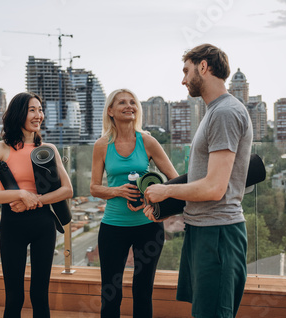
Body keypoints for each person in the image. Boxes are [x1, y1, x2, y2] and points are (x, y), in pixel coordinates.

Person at [144, 43, 253, 318]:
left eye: (186, 70)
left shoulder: (225, 113)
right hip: (204, 230)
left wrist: (166, 193)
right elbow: (203, 180)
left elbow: (215, 188)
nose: (183, 79)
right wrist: (163, 205)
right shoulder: (214, 112)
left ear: (203, 67)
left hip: (218, 235)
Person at [0, 92, 73, 318]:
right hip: (12, 224)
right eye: (32, 110)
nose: (38, 115)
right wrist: (21, 193)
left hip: (43, 224)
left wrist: (35, 200)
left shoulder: (48, 149)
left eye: (40, 110)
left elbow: (67, 190)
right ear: (18, 113)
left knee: (40, 295)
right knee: (14, 297)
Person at [90, 89, 178, 317]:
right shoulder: (102, 145)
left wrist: (158, 207)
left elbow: (175, 180)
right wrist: (118, 191)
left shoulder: (148, 141)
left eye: (132, 102)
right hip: (113, 226)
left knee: (142, 290)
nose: (129, 106)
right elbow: (94, 188)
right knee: (111, 292)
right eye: (122, 103)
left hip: (148, 227)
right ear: (110, 111)